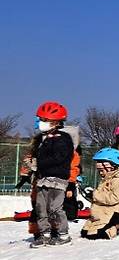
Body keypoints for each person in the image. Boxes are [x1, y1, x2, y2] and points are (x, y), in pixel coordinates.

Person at [30, 101, 74, 248]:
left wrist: (39, 163)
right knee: (40, 207)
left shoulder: (62, 138)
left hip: (57, 179)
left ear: (55, 123)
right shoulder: (43, 139)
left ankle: (63, 234)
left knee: (55, 207)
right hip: (43, 179)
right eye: (41, 120)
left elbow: (59, 157)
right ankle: (45, 234)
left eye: (45, 120)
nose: (41, 123)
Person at [80, 148, 119, 240]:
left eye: (102, 166)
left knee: (97, 235)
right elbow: (101, 196)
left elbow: (114, 198)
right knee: (84, 233)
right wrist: (91, 195)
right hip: (101, 212)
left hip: (113, 213)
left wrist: (95, 195)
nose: (100, 171)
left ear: (113, 165)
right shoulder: (106, 179)